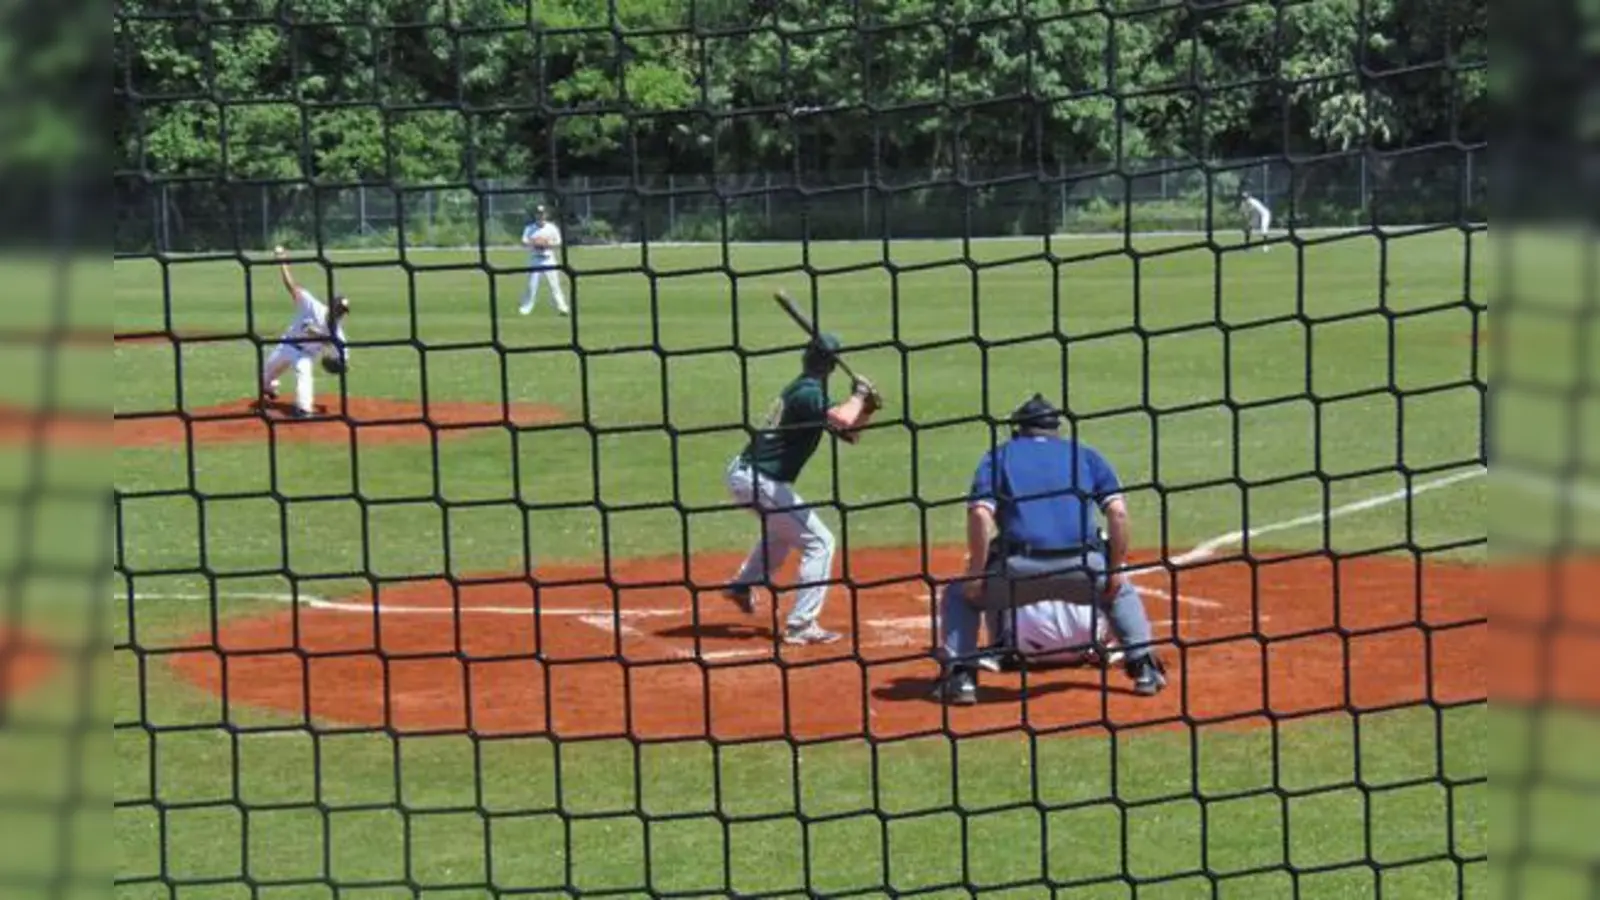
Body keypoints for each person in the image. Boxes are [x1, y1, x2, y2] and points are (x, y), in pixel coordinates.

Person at [931, 393, 1167, 705]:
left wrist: (976, 572)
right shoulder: (1084, 454)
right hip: (1083, 569)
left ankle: (961, 679)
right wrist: (1114, 569)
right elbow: (1118, 512)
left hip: (1018, 573)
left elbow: (979, 513)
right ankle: (1144, 670)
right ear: (1056, 429)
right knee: (1121, 592)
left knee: (960, 597)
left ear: (1018, 430)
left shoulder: (1000, 456)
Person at [722, 334, 881, 645]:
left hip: (750, 478)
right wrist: (860, 395)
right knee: (820, 542)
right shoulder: (808, 393)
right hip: (759, 479)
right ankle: (801, 625)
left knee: (782, 533)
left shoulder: (809, 391)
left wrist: (867, 409)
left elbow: (850, 434)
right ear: (832, 365)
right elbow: (843, 417)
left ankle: (743, 584)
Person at [260, 246, 350, 418]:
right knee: (266, 375)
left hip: (305, 355)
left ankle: (304, 408)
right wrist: (283, 262)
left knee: (304, 374)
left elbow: (344, 357)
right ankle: (268, 387)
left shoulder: (338, 333)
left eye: (343, 312)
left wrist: (341, 365)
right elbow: (291, 286)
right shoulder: (312, 305)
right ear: (332, 306)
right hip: (286, 344)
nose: (340, 314)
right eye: (339, 309)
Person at [519, 204, 569, 316]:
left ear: (546, 215)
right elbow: (524, 241)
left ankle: (562, 307)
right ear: (535, 215)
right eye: (538, 214)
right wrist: (534, 242)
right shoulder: (530, 228)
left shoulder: (551, 228)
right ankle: (526, 307)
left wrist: (547, 243)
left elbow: (558, 241)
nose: (540, 216)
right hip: (535, 259)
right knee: (532, 286)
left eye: (542, 214)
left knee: (554, 285)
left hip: (548, 259)